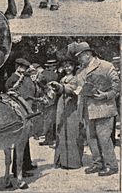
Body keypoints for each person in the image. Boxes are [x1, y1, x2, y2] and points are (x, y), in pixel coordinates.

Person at [51, 42, 119, 176]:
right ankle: (98, 163)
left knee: (104, 138)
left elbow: (117, 85)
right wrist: (60, 87)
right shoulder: (80, 71)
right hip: (87, 110)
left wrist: (105, 95)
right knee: (91, 138)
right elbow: (75, 87)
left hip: (104, 109)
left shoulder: (106, 65)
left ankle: (112, 165)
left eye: (79, 56)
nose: (78, 59)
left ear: (87, 54)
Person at [6, 58, 37, 177]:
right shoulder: (13, 79)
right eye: (24, 68)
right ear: (18, 67)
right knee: (19, 140)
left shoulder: (24, 78)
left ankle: (27, 164)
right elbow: (11, 93)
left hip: (25, 109)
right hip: (17, 111)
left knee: (25, 139)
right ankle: (18, 170)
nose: (25, 70)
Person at [53, 56, 84, 169]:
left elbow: (72, 90)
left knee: (71, 131)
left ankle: (72, 162)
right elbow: (59, 90)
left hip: (71, 106)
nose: (67, 67)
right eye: (65, 65)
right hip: (61, 105)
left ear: (74, 66)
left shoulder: (76, 78)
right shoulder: (61, 78)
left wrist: (61, 87)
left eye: (69, 65)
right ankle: (61, 160)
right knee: (61, 130)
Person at [38, 59, 59, 146]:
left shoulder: (44, 74)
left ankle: (48, 138)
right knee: (50, 119)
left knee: (48, 119)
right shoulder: (55, 74)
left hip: (48, 98)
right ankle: (49, 139)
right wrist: (47, 89)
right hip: (51, 99)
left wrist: (44, 89)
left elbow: (38, 82)